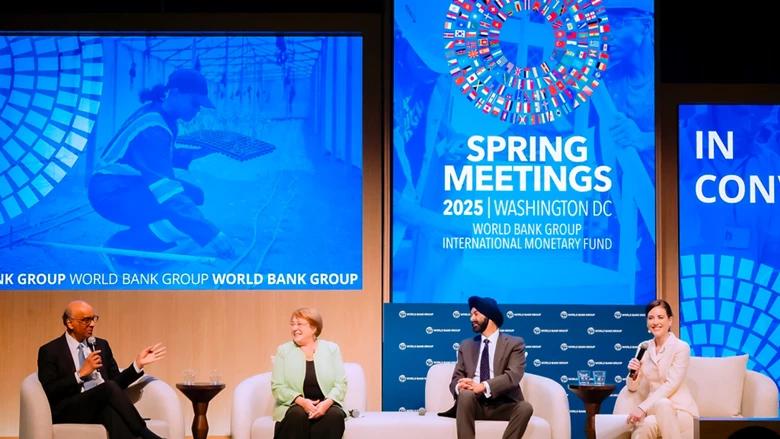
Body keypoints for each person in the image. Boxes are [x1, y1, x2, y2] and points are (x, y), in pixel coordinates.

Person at [88, 68, 234, 269]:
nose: (198, 109)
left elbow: (158, 157)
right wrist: (210, 233)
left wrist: (199, 152)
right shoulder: (153, 128)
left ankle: (139, 246)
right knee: (181, 210)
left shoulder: (159, 115)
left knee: (193, 197)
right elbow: (166, 189)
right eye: (194, 102)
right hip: (111, 193)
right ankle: (118, 247)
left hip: (122, 185)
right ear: (174, 93)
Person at [37, 300, 167, 439]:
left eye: (94, 319)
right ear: (70, 323)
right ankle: (146, 433)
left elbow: (117, 384)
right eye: (86, 320)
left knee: (111, 412)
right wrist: (79, 374)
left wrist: (137, 365)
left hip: (100, 405)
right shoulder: (50, 351)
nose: (92, 324)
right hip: (70, 409)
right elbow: (51, 389)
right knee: (108, 388)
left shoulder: (101, 345)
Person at [439, 296, 533, 439]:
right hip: (472, 403)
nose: (471, 318)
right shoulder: (466, 345)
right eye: (471, 314)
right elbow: (455, 379)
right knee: (465, 395)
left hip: (503, 404)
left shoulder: (514, 344)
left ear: (490, 316)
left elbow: (513, 376)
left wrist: (483, 386)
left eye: (476, 314)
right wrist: (460, 386)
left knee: (525, 408)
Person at [624, 299, 699, 439]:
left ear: (670, 321)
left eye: (660, 317)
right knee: (644, 427)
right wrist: (634, 374)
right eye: (651, 318)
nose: (655, 322)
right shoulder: (644, 347)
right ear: (647, 322)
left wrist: (642, 407)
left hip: (679, 410)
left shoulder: (681, 347)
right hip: (653, 411)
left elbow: (671, 384)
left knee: (663, 404)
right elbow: (632, 387)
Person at [271, 308, 347, 439]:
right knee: (297, 415)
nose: (295, 328)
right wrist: (302, 402)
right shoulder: (283, 351)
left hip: (326, 404)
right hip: (295, 404)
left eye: (299, 324)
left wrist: (327, 403)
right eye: (292, 324)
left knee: (334, 416)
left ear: (314, 328)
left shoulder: (331, 349)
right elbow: (277, 386)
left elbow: (341, 383)